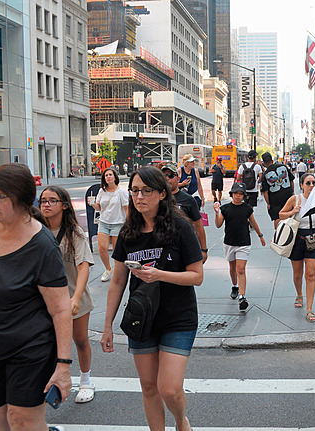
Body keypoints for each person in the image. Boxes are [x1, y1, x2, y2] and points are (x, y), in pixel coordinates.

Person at [0, 164, 71, 431]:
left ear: (21, 198)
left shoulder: (42, 246)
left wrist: (63, 365)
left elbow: (60, 309)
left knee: (23, 420)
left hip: (30, 346)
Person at [100, 166, 204, 431]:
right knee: (148, 387)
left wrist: (160, 274)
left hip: (178, 317)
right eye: (134, 190)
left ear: (161, 194)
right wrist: (107, 325)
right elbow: (118, 281)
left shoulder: (179, 227)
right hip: (142, 318)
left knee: (169, 389)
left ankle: (181, 422)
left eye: (146, 191)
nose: (139, 196)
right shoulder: (128, 232)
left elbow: (196, 276)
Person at [40, 186, 96, 404]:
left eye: (52, 201)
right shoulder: (34, 230)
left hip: (74, 296)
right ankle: (54, 380)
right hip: (46, 301)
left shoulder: (75, 233)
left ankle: (86, 381)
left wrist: (76, 297)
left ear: (64, 205)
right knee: (50, 343)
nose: (46, 204)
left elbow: (83, 266)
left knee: (80, 340)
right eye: (43, 201)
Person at [278, 173, 315, 322]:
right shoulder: (295, 199)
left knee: (310, 274)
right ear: (302, 185)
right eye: (308, 183)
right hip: (297, 238)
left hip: (314, 238)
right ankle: (299, 294)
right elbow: (281, 214)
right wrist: (292, 212)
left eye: (314, 182)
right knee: (297, 274)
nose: (311, 185)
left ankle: (309, 309)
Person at [213, 182, 266, 309]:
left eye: (241, 194)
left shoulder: (247, 209)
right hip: (229, 242)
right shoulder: (225, 208)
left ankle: (242, 297)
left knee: (240, 269)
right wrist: (216, 212)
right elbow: (218, 224)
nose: (238, 196)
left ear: (244, 196)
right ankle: (234, 286)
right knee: (232, 267)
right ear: (231, 194)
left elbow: (253, 222)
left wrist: (260, 235)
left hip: (244, 243)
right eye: (236, 193)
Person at [87, 167, 129, 282]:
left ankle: (118, 272)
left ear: (115, 177)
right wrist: (92, 204)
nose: (108, 177)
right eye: (106, 175)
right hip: (104, 222)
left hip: (118, 223)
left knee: (117, 250)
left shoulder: (121, 192)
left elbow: (127, 209)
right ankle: (108, 269)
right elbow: (99, 207)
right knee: (102, 248)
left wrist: (129, 224)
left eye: (110, 175)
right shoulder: (102, 191)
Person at [162, 163, 208, 264]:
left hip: (184, 249)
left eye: (170, 176)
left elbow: (198, 226)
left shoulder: (188, 200)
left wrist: (203, 250)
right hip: (162, 250)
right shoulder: (156, 198)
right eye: (163, 176)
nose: (167, 179)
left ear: (178, 179)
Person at [261, 151, 295, 228]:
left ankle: (278, 235)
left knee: (277, 217)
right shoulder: (283, 167)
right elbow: (291, 180)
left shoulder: (265, 174)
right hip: (288, 196)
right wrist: (292, 192)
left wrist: (268, 203)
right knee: (290, 215)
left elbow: (265, 191)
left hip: (275, 200)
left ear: (264, 163)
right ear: (272, 160)